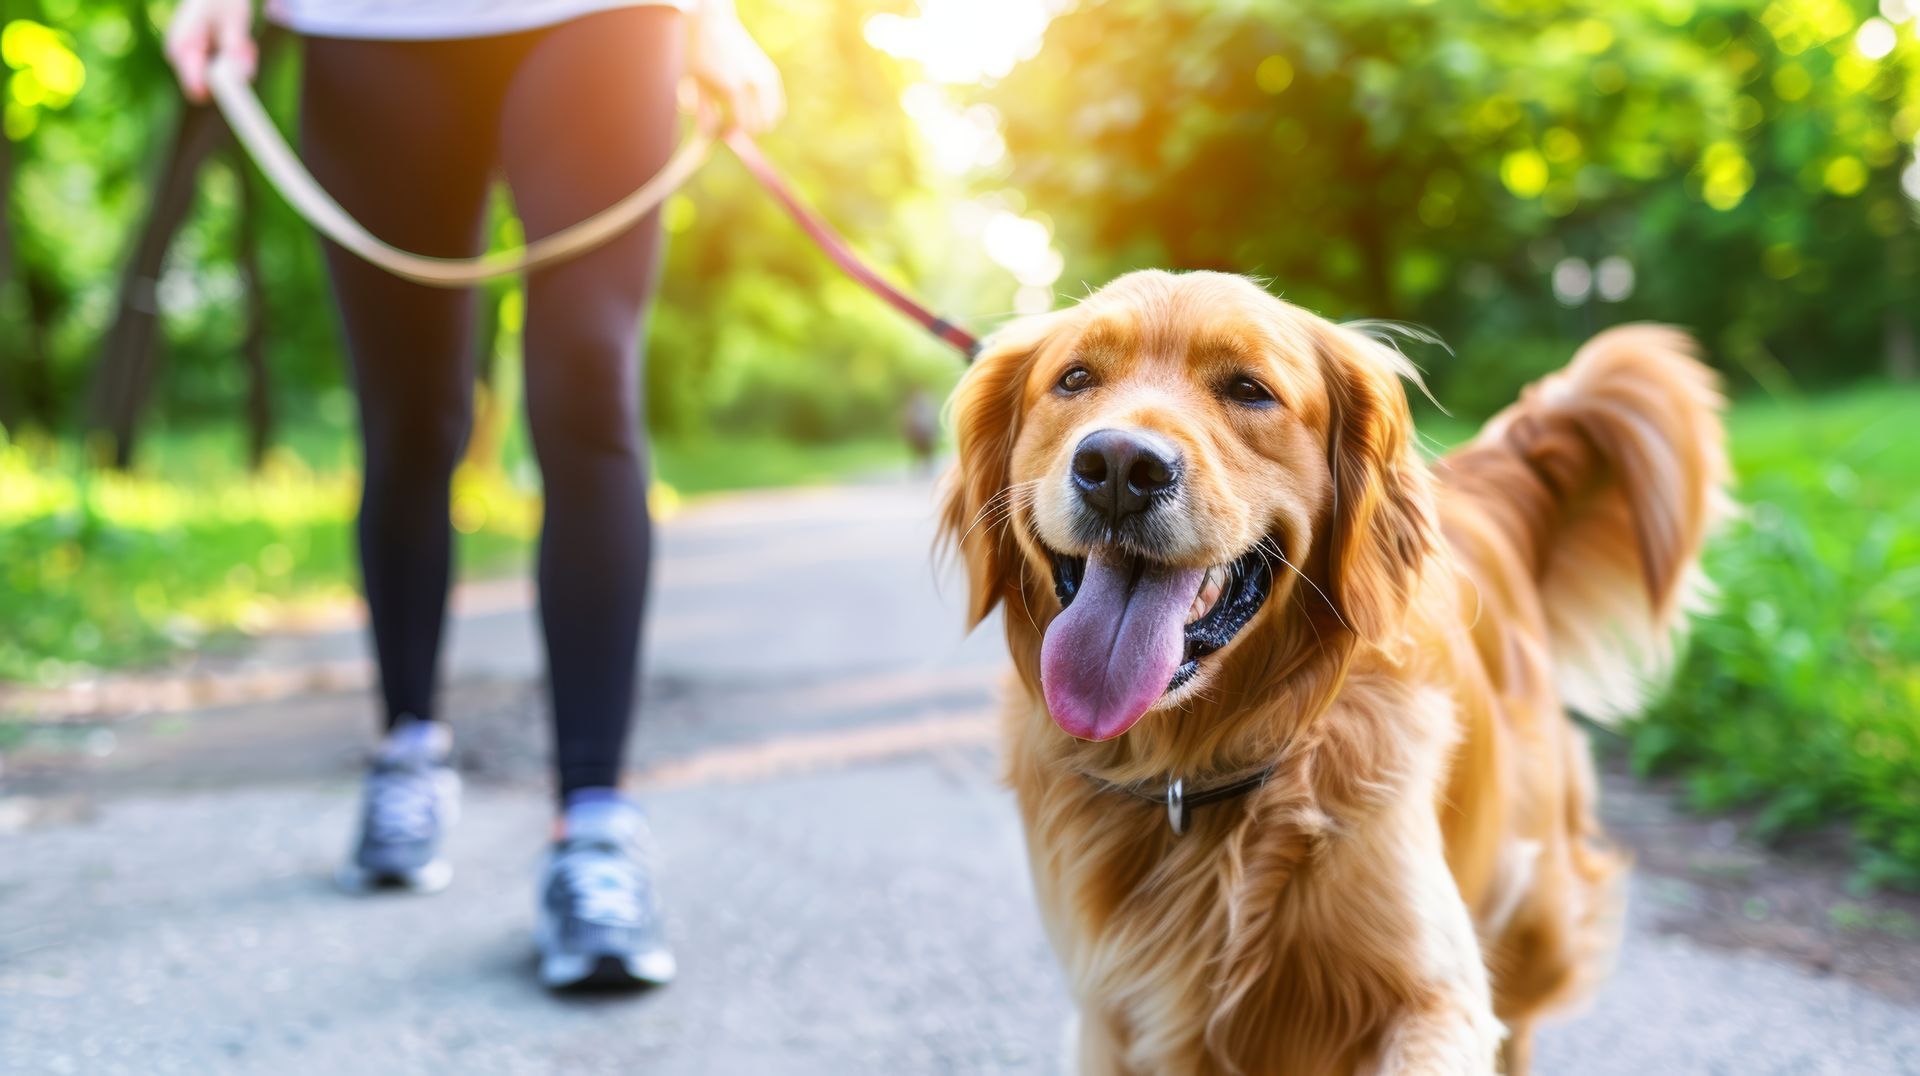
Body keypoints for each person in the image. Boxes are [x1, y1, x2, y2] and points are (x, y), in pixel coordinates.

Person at [164, 0, 783, 989]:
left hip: (600, 18)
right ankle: (407, 747)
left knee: (585, 380)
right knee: (410, 413)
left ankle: (595, 829)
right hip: (371, 28)